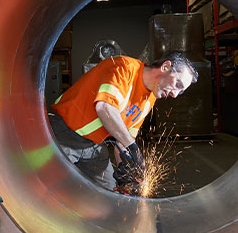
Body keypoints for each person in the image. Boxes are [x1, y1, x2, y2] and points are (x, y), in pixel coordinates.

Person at [48, 51, 198, 192]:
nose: (175, 95)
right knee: (49, 189)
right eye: (178, 84)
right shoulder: (123, 68)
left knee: (108, 194)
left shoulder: (149, 98)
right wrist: (134, 149)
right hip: (63, 132)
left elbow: (124, 140)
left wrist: (136, 171)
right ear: (165, 67)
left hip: (94, 145)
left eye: (181, 91)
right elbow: (105, 108)